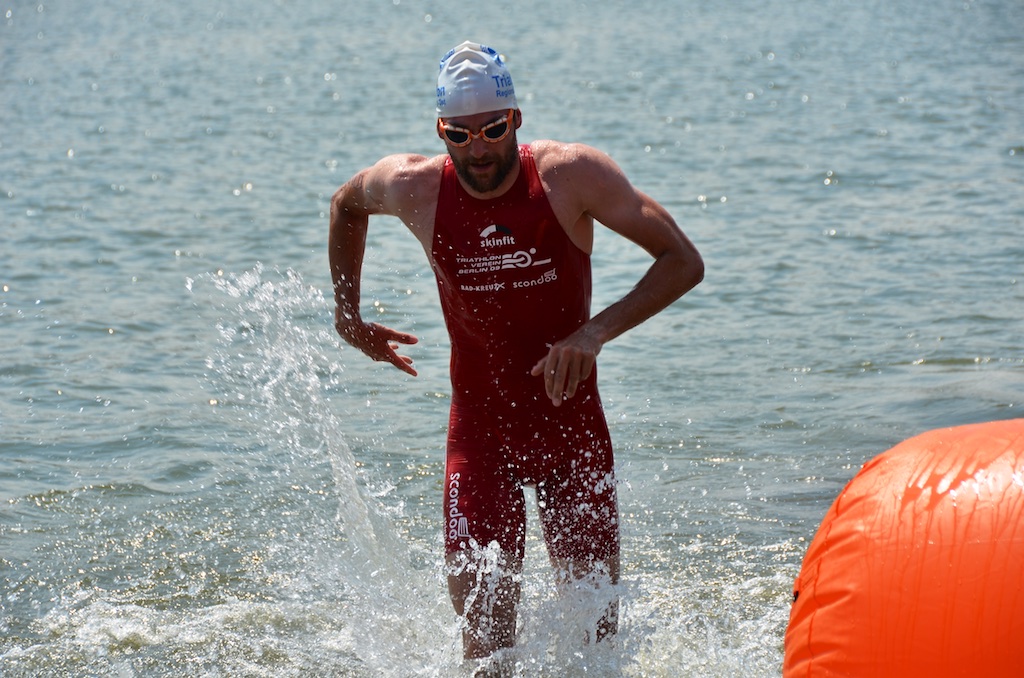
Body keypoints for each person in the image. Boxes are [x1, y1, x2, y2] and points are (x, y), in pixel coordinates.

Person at [329, 41, 703, 665]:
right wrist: (348, 315)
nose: (478, 149)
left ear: (516, 119)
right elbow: (346, 204)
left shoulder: (569, 176)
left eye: (493, 130)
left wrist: (593, 334)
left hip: (572, 431)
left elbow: (683, 261)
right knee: (486, 653)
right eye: (461, 135)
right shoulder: (414, 186)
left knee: (597, 645)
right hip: (480, 438)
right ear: (441, 131)